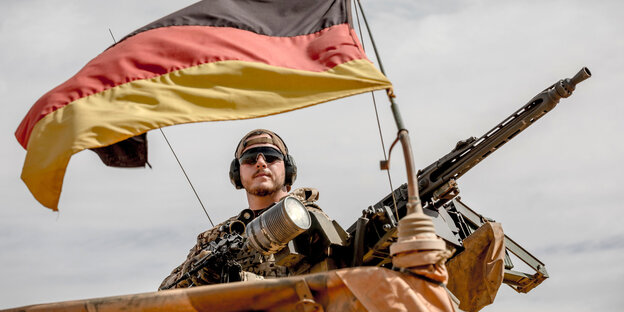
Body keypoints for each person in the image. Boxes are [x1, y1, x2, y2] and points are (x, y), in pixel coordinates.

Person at [159, 129, 329, 290]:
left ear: (288, 169)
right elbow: (163, 294)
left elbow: (336, 280)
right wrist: (200, 273)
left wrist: (244, 282)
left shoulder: (305, 219)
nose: (261, 163)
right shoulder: (216, 237)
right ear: (237, 173)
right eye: (250, 159)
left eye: (271, 157)